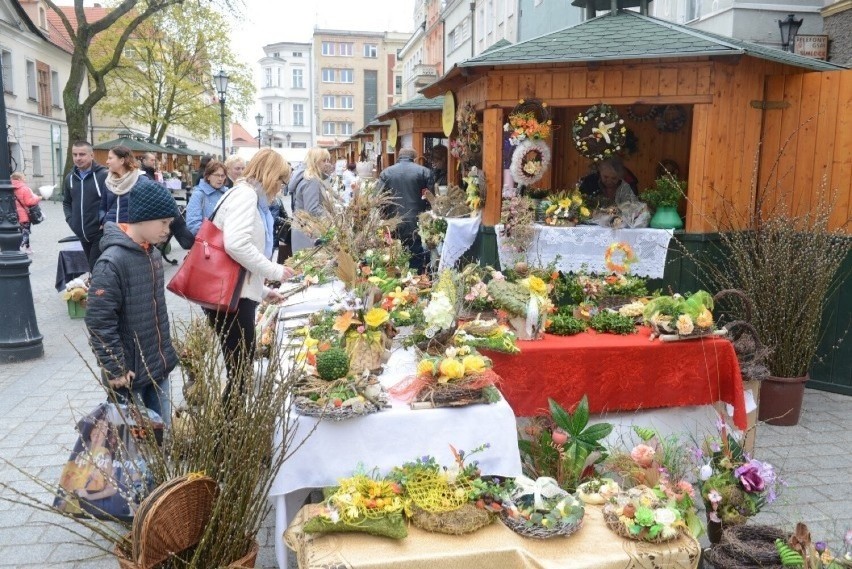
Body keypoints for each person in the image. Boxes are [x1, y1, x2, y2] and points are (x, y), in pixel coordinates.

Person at [205, 148, 296, 401]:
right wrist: (274, 270)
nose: (280, 187)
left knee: (240, 371)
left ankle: (231, 431)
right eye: (280, 180)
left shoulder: (247, 194)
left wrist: (264, 291)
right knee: (240, 374)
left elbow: (237, 257)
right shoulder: (245, 196)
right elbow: (236, 245)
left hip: (235, 293)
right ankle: (227, 435)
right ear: (268, 174)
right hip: (231, 300)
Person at [85, 183, 180, 420]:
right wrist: (115, 367)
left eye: (170, 224)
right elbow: (99, 321)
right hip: (130, 374)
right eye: (164, 222)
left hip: (157, 366)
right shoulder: (112, 262)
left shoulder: (153, 254)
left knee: (161, 435)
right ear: (142, 218)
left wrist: (166, 354)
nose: (168, 230)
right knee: (134, 445)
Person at [378, 147, 433, 273]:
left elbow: (379, 199)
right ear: (414, 158)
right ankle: (416, 279)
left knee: (394, 254)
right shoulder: (424, 172)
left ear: (398, 157)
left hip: (393, 221)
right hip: (416, 220)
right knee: (416, 253)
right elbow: (431, 199)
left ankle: (398, 279)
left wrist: (384, 217)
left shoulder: (386, 173)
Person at [63, 140, 109, 269]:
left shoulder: (104, 175)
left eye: (82, 154)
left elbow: (113, 201)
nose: (78, 158)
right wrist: (71, 221)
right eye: (75, 154)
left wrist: (104, 222)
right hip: (82, 233)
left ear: (91, 155)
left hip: (100, 233)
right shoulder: (69, 178)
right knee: (93, 268)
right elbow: (67, 202)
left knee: (97, 268)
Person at [289, 147, 333, 253]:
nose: (326, 164)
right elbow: (312, 209)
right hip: (307, 230)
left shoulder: (305, 177)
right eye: (323, 160)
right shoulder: (312, 180)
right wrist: (330, 216)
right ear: (315, 161)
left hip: (302, 227)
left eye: (328, 160)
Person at [185, 160, 228, 236]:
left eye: (223, 176)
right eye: (217, 175)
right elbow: (193, 224)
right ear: (208, 176)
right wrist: (213, 236)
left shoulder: (227, 193)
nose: (220, 179)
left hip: (227, 240)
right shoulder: (199, 194)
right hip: (208, 242)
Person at [11, 172, 41, 255]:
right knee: (25, 232)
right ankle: (19, 247)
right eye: (24, 177)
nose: (25, 179)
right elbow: (28, 202)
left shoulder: (9, 188)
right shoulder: (24, 188)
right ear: (19, 179)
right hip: (24, 214)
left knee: (22, 231)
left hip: (13, 215)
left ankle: (28, 248)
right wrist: (38, 198)